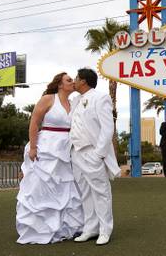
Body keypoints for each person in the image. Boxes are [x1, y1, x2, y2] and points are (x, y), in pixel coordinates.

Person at [16, 72, 84, 244]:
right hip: (46, 147)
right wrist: (32, 147)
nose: (72, 82)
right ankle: (38, 229)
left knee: (65, 188)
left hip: (66, 149)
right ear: (60, 84)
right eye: (69, 80)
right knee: (42, 187)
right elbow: (34, 122)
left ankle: (65, 228)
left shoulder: (73, 103)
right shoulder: (48, 99)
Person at [70, 68, 121, 246]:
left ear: (83, 81)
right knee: (85, 192)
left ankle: (105, 229)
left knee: (101, 192)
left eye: (76, 78)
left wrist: (99, 154)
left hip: (92, 152)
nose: (74, 81)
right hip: (76, 152)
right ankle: (90, 228)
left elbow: (108, 128)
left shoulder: (100, 98)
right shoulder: (76, 100)